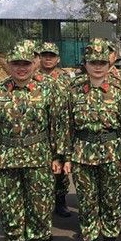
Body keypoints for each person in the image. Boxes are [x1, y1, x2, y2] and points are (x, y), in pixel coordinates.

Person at [0, 41, 66, 241]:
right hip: (5, 158)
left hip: (38, 157)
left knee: (40, 206)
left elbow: (58, 126)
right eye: (16, 63)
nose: (21, 68)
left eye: (26, 63)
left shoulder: (49, 89)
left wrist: (59, 156)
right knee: (10, 207)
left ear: (33, 64)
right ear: (8, 64)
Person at [64, 38, 121, 241]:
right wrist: (65, 157)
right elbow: (67, 127)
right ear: (86, 63)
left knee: (111, 202)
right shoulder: (73, 91)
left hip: (112, 152)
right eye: (93, 61)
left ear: (109, 63)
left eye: (102, 62)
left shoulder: (119, 91)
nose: (98, 66)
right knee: (87, 203)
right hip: (83, 154)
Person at [39, 41, 74, 218]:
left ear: (58, 59)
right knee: (42, 172)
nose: (47, 59)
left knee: (61, 168)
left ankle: (60, 201)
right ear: (38, 58)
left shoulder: (65, 79)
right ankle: (44, 210)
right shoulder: (33, 78)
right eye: (44, 55)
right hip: (42, 133)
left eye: (51, 56)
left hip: (62, 129)